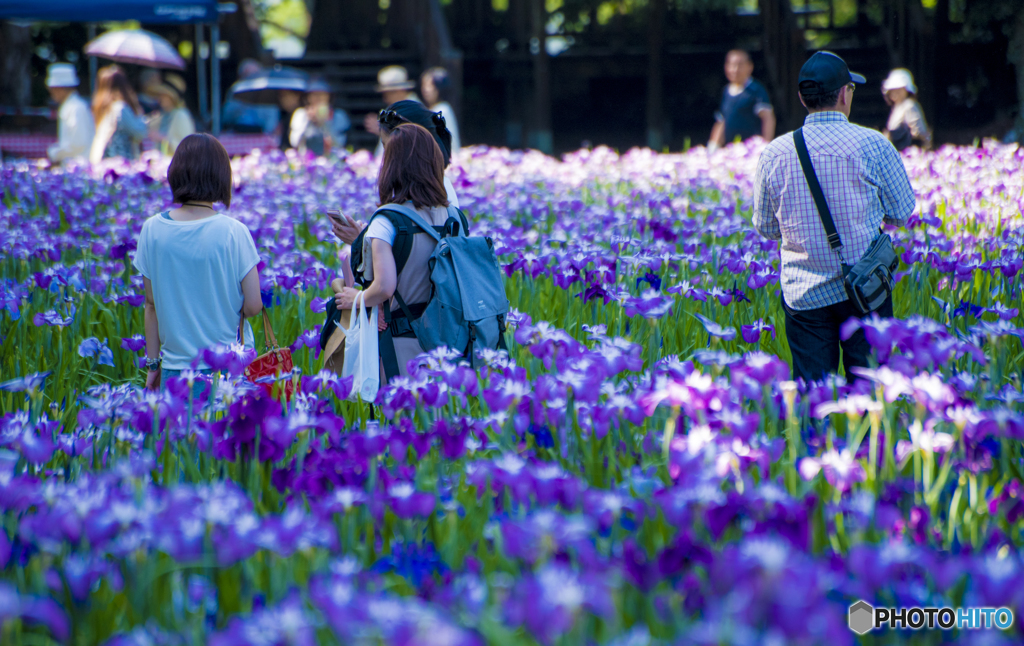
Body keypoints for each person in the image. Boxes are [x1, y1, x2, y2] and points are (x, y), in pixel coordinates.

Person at [752, 51, 916, 383]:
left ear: (802, 97)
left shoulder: (774, 153)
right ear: (844, 93)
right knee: (869, 395)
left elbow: (766, 227)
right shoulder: (874, 144)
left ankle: (814, 437)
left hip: (805, 295)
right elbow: (901, 212)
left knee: (815, 399)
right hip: (866, 288)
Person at [134, 133, 263, 391]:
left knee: (178, 433)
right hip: (228, 370)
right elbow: (253, 306)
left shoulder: (152, 229)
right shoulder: (234, 231)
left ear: (176, 174)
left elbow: (151, 305)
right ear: (221, 177)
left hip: (175, 371)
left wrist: (153, 365)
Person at [332, 123, 461, 378]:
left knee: (403, 412)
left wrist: (355, 299)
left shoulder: (386, 221)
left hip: (403, 341)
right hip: (450, 338)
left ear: (392, 166)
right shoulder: (454, 217)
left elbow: (385, 288)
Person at [329, 101, 459, 246]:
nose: (385, 158)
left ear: (410, 146)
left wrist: (363, 242)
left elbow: (418, 260)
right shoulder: (432, 186)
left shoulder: (433, 194)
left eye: (388, 147)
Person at [708, 50, 775, 151]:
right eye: (731, 65)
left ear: (750, 67)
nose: (735, 70)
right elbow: (722, 121)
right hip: (731, 151)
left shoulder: (756, 89)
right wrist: (712, 147)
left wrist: (765, 146)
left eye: (739, 65)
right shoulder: (726, 91)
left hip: (751, 151)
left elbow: (768, 118)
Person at [90, 65, 148, 165]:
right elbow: (140, 132)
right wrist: (139, 113)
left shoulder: (103, 108)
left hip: (103, 161)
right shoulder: (120, 108)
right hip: (119, 163)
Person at [44, 63, 94, 164]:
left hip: (80, 169)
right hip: (74, 167)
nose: (51, 92)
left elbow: (78, 143)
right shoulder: (71, 106)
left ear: (60, 88)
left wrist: (54, 152)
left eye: (52, 89)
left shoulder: (76, 108)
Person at [289, 78, 351, 155]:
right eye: (314, 94)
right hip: (306, 161)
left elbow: (339, 144)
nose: (318, 98)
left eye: (322, 94)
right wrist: (308, 121)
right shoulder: (300, 114)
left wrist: (324, 123)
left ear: (329, 96)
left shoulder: (339, 115)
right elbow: (294, 142)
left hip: (331, 161)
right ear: (308, 97)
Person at [364, 66, 420, 149]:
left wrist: (384, 132)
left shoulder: (414, 109)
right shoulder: (395, 109)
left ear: (398, 91)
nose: (384, 98)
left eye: (387, 93)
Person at [222, 59, 280, 134]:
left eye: (254, 75)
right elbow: (226, 117)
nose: (250, 78)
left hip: (261, 134)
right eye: (246, 75)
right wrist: (241, 103)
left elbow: (272, 121)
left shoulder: (267, 92)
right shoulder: (235, 90)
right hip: (237, 133)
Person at [881, 68, 931, 151]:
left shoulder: (909, 105)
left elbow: (920, 134)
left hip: (909, 154)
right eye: (892, 90)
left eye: (899, 89)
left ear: (907, 90)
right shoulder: (897, 108)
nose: (895, 92)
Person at [149, 74, 196, 154]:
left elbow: (188, 146)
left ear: (172, 97)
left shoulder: (181, 115)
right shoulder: (163, 115)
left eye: (163, 95)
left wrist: (163, 138)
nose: (160, 98)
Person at [420, 67, 461, 155]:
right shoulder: (437, 109)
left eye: (430, 85)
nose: (425, 89)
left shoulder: (442, 110)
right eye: (424, 85)